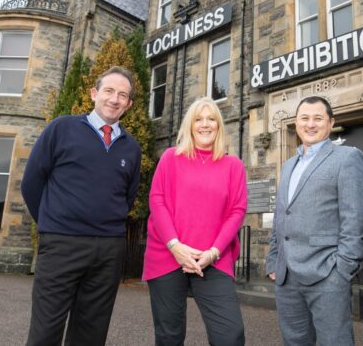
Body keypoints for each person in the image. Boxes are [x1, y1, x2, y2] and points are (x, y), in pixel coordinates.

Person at [21, 66, 142, 345]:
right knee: (45, 332)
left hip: (108, 250)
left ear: (129, 104)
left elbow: (128, 195)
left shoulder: (131, 148)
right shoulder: (61, 128)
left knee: (91, 333)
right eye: (109, 91)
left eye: (122, 95)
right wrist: (53, 225)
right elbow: (31, 183)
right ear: (94, 93)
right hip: (61, 244)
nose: (114, 99)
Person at [266, 96, 363, 346]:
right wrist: (273, 260)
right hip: (286, 276)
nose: (310, 124)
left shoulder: (347, 158)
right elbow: (282, 215)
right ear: (296, 122)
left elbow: (355, 219)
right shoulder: (289, 164)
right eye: (304, 118)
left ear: (331, 122)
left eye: (318, 118)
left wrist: (342, 269)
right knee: (294, 341)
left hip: (327, 274)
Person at [143, 97, 247, 346]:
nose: (205, 124)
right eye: (199, 119)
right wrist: (174, 246)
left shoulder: (233, 165)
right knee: (169, 336)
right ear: (190, 125)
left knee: (230, 336)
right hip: (167, 255)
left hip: (213, 259)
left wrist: (213, 252)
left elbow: (237, 210)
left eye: (211, 119)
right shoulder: (170, 157)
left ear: (219, 125)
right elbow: (157, 200)